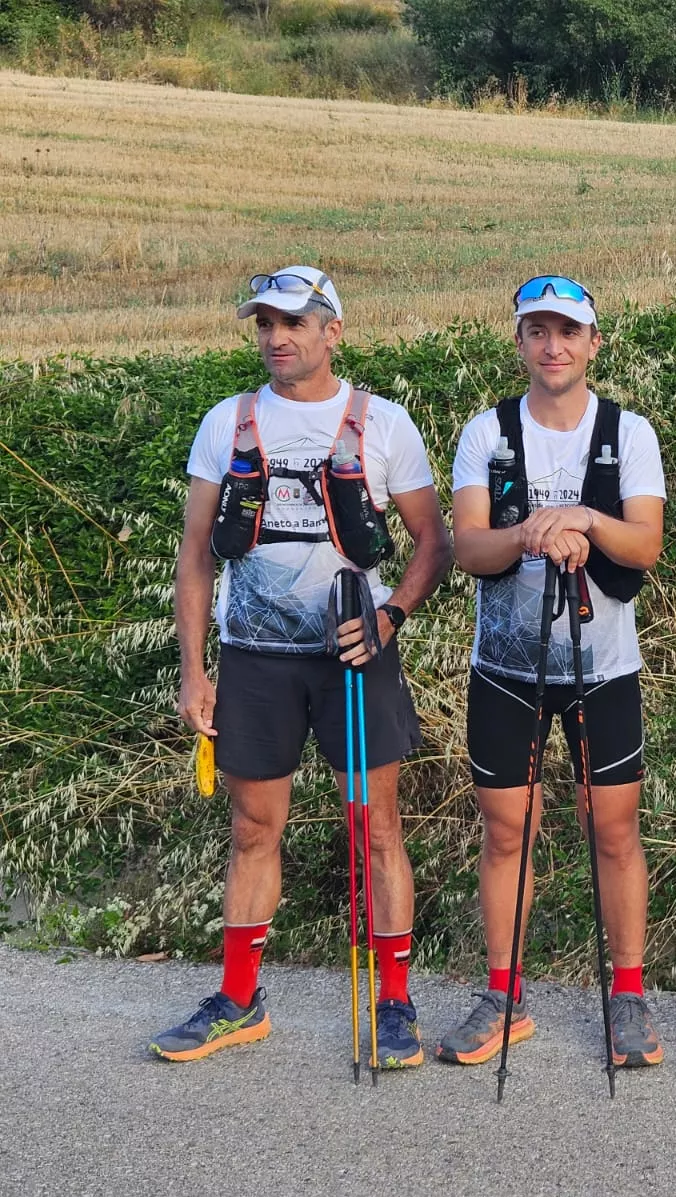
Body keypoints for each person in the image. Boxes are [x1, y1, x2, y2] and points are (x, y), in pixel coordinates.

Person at [156, 266, 451, 1067]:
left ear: (333, 331)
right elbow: (194, 554)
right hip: (254, 659)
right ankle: (240, 997)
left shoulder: (382, 424)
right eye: (264, 324)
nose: (276, 337)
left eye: (293, 322)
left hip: (353, 657)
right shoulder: (229, 420)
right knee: (253, 828)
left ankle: (394, 1002)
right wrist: (194, 670)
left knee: (376, 827)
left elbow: (434, 543)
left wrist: (389, 620)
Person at [438, 276, 667, 1071]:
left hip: (605, 667)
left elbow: (644, 546)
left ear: (593, 343)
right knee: (507, 832)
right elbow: (468, 547)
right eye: (537, 331)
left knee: (613, 829)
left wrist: (584, 520)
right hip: (506, 665)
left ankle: (628, 995)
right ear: (520, 344)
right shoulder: (487, 433)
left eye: (568, 332)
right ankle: (503, 995)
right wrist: (532, 534)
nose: (553, 346)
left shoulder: (627, 432)